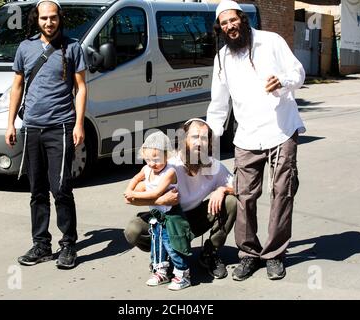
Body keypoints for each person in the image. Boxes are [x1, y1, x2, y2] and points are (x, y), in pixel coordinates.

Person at [206, 0, 306, 281]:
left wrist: (283, 81)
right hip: (247, 136)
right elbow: (218, 104)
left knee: (282, 194)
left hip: (281, 130)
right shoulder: (222, 57)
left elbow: (298, 73)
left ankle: (274, 254)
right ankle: (249, 254)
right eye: (224, 24)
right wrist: (209, 141)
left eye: (232, 20)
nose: (229, 26)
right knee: (244, 196)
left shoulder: (271, 41)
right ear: (220, 28)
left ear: (242, 19)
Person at [5, 0, 87, 269]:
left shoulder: (72, 47)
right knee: (37, 190)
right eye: (44, 18)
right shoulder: (25, 47)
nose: (49, 23)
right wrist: (10, 124)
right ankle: (41, 244)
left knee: (61, 188)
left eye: (53, 18)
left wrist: (78, 124)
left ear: (60, 19)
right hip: (31, 128)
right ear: (36, 20)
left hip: (61, 126)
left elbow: (81, 87)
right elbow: (17, 86)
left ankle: (68, 244)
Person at [124, 118, 238, 280]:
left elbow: (241, 188)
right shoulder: (170, 164)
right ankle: (163, 253)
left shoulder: (214, 166)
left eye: (204, 138)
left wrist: (222, 189)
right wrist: (160, 201)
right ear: (184, 139)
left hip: (194, 219)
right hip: (166, 218)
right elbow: (130, 196)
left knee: (231, 201)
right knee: (133, 230)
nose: (199, 142)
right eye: (195, 137)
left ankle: (209, 254)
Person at [124, 131, 192, 290]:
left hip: (171, 215)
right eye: (148, 159)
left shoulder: (170, 172)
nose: (152, 164)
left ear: (167, 156)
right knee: (158, 243)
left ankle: (183, 274)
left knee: (172, 245)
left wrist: (134, 194)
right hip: (156, 215)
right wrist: (129, 189)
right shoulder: (147, 169)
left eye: (157, 159)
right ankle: (160, 271)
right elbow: (135, 178)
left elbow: (155, 193)